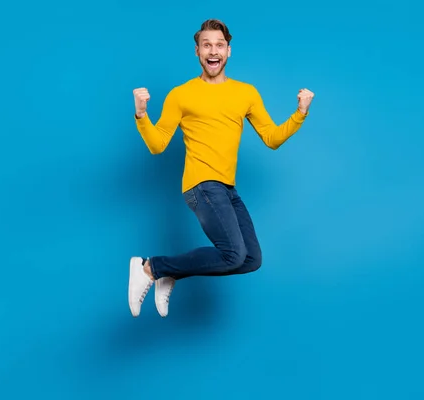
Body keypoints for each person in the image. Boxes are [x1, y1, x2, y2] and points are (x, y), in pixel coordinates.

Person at [128, 19, 315, 318]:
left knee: (251, 259)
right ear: (197, 52)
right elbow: (157, 144)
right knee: (232, 254)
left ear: (228, 51)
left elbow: (271, 138)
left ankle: (169, 272)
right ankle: (150, 267)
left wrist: (300, 113)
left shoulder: (246, 93)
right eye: (206, 45)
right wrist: (141, 114)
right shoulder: (181, 94)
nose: (212, 51)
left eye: (218, 45)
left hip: (227, 189)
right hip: (201, 185)